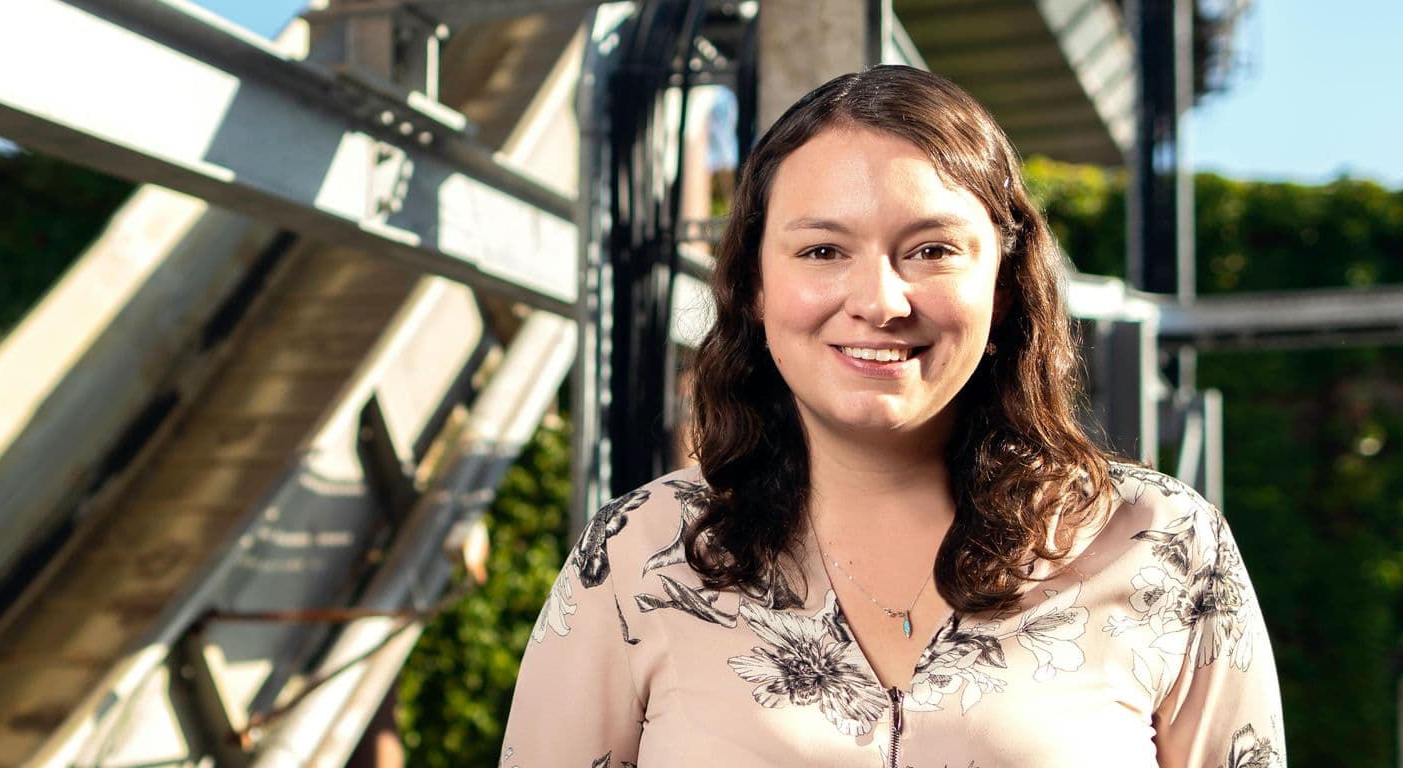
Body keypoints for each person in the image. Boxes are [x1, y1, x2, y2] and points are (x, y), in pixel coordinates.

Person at [499, 66, 1285, 767]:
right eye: (821, 252)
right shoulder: (637, 557)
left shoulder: (1166, 545)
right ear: (756, 284)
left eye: (932, 250)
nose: (878, 301)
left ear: (1005, 284)